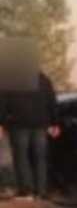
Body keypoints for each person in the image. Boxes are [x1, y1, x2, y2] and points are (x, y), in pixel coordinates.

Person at [2, 71, 59, 200]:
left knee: (21, 157)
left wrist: (2, 123)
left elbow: (3, 102)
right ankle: (41, 191)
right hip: (41, 124)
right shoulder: (43, 79)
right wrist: (54, 122)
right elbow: (52, 100)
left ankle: (27, 191)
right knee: (40, 158)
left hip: (19, 124)